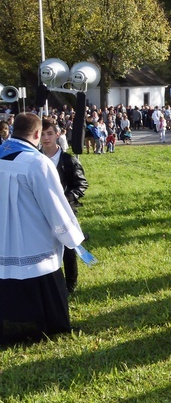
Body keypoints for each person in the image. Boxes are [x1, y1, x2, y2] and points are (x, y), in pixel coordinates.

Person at [0, 114, 87, 343]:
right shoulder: (37, 163)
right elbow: (54, 204)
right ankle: (49, 327)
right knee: (42, 276)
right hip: (32, 237)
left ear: (12, 129)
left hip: (3, 237)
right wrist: (72, 237)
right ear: (37, 134)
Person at [39, 117, 89, 294]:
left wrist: (67, 198)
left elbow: (81, 184)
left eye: (50, 133)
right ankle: (47, 284)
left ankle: (70, 285)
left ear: (57, 134)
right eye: (43, 134)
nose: (46, 138)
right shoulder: (34, 159)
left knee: (68, 248)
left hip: (64, 212)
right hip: (40, 212)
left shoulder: (68, 160)